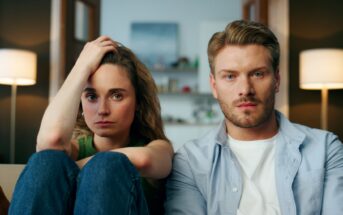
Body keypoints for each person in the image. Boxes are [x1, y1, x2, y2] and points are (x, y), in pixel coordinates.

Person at [165, 20, 343, 215]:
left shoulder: (325, 150)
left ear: (277, 80)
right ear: (214, 86)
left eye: (258, 74)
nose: (245, 90)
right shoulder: (190, 161)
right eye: (230, 76)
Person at [9, 36, 173, 215]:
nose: (102, 110)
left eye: (116, 95)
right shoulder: (73, 150)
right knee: (46, 162)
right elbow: (50, 142)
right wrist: (81, 67)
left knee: (106, 166)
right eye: (91, 96)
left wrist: (67, 172)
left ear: (138, 102)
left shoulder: (159, 147)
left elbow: (144, 160)